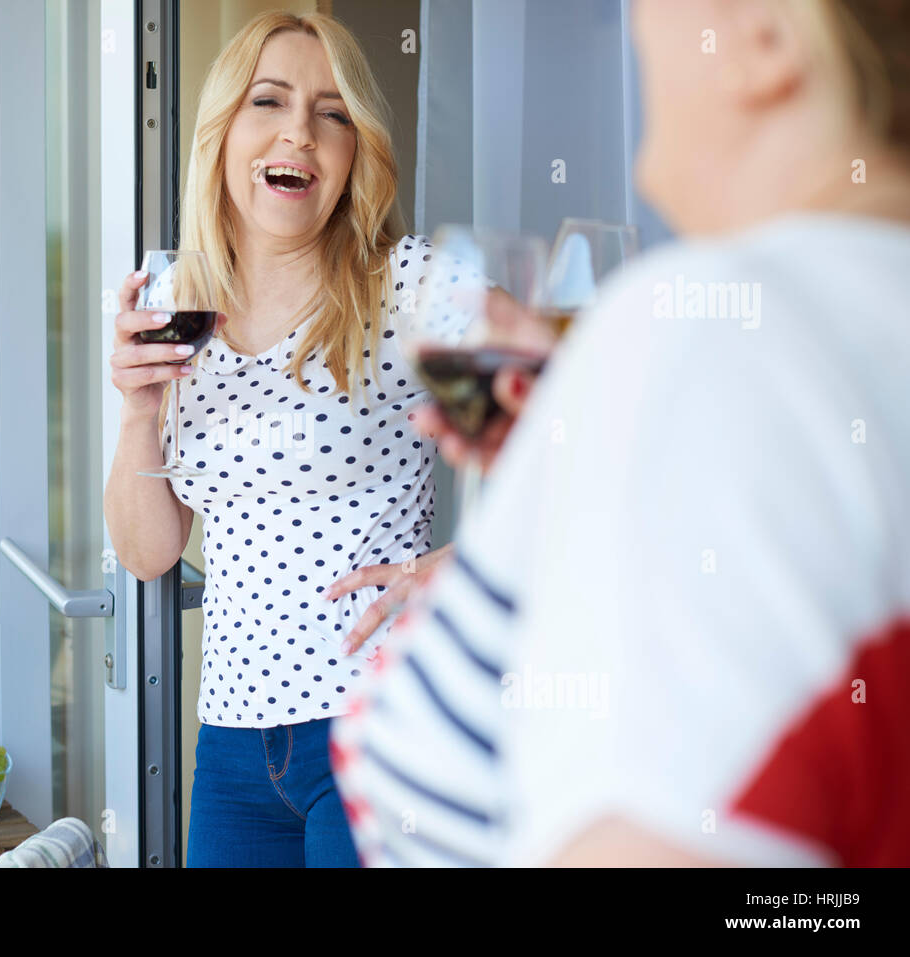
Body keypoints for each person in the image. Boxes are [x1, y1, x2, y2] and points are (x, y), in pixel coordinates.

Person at [330, 0, 910, 866]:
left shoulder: (703, 331)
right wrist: (594, 459)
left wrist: (645, 399)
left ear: (767, 38)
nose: (633, 21)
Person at [103, 11, 451, 867]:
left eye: (333, 112)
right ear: (223, 132)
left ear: (353, 153)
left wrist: (453, 570)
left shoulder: (409, 284)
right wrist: (137, 410)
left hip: (376, 726)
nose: (300, 128)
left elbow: (582, 415)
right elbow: (150, 554)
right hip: (231, 744)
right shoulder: (176, 295)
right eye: (271, 100)